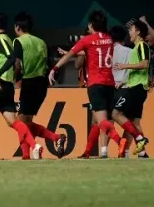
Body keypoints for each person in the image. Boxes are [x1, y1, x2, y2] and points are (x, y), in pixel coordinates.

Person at [49, 10, 127, 158]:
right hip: (110, 84)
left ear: (91, 24)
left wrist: (55, 68)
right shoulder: (110, 40)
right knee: (103, 120)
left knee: (101, 120)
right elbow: (94, 51)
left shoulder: (87, 40)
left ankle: (120, 140)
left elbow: (70, 55)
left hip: (95, 84)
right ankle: (97, 151)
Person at [0, 11, 43, 161]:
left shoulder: (0, 39)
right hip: (6, 86)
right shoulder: (6, 39)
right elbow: (5, 59)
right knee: (12, 121)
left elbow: (11, 58)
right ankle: (35, 146)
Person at [13, 12, 67, 159]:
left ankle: (26, 155)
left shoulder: (19, 41)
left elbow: (17, 64)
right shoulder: (42, 42)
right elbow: (50, 63)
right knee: (26, 122)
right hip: (42, 84)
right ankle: (56, 138)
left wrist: (13, 78)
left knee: (21, 122)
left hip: (29, 82)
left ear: (17, 27)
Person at [112, 20, 150, 157]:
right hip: (136, 87)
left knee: (115, 113)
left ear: (138, 32)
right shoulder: (135, 48)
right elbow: (136, 71)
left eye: (132, 30)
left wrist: (124, 66)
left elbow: (144, 64)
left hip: (136, 89)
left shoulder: (141, 46)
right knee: (134, 122)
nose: (129, 32)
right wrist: (122, 82)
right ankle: (143, 153)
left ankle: (140, 139)